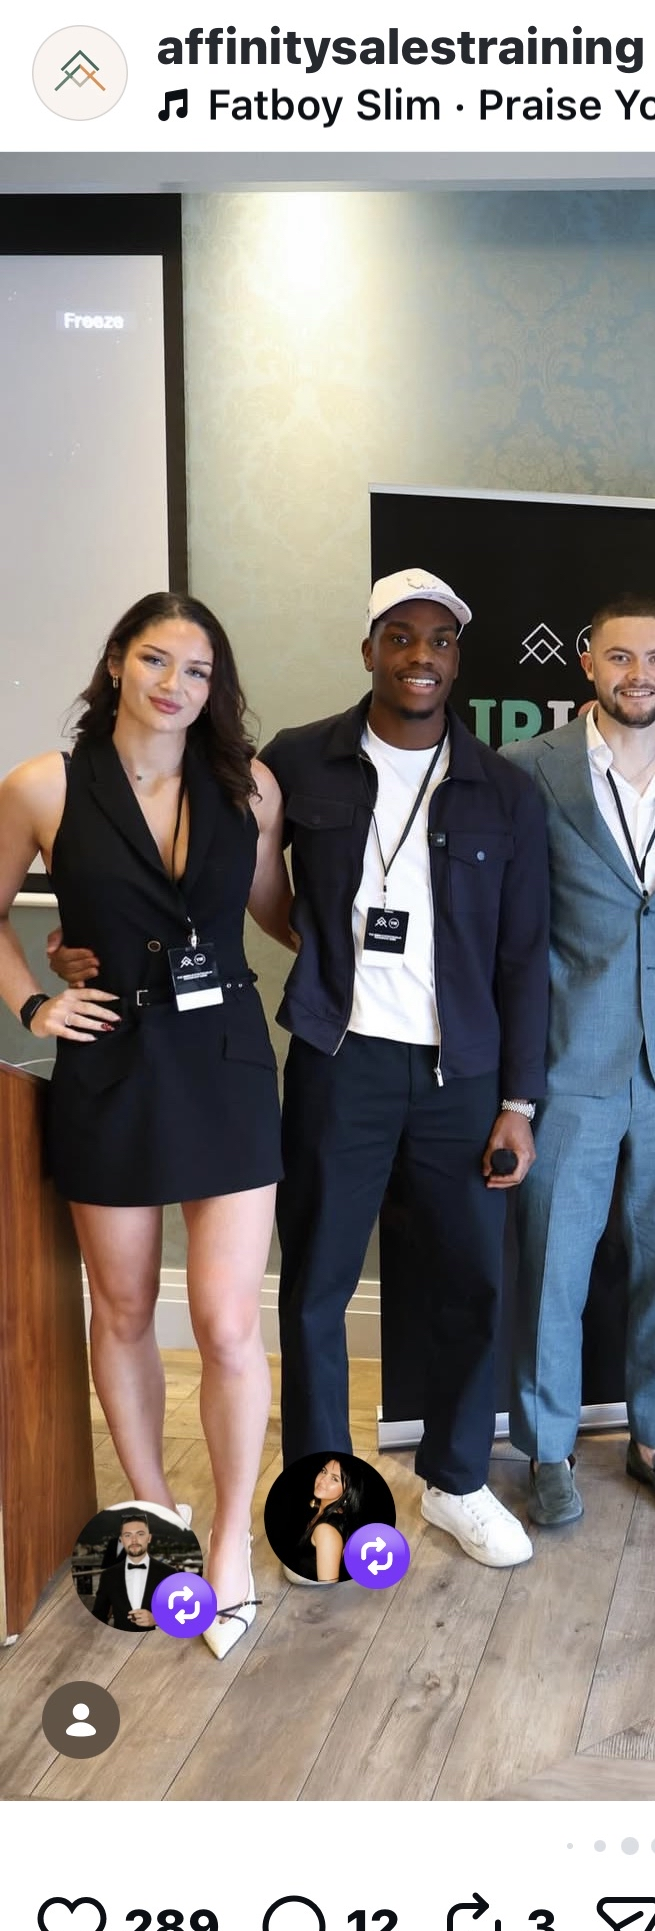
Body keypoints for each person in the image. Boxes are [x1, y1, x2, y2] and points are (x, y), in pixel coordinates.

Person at [0, 595, 288, 1659]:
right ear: (118, 662)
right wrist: (36, 1001)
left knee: (223, 1323)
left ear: (215, 687)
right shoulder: (42, 785)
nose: (175, 683)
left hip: (224, 1069)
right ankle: (158, 1509)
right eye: (156, 659)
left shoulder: (247, 786)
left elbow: (274, 910)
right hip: (110, 1066)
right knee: (120, 1308)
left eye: (198, 669)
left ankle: (228, 1544)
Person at [259, 568, 550, 1571]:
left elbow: (524, 960)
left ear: (456, 659)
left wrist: (519, 1103)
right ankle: (323, 1495)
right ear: (370, 648)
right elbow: (254, 880)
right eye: (400, 637)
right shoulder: (299, 761)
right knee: (317, 1288)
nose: (420, 656)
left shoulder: (503, 789)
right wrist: (326, 960)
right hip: (343, 1067)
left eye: (439, 641)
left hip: (461, 1079)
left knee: (473, 1283)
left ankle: (457, 1480)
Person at [503, 601, 655, 1525]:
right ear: (589, 663)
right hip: (569, 1058)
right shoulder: (529, 770)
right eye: (621, 655)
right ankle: (548, 1450)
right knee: (552, 1262)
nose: (640, 672)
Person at [86, 1511, 194, 1628]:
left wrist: (157, 1619)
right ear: (121, 1540)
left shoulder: (169, 1574)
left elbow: (185, 1614)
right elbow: (98, 1617)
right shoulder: (108, 1576)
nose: (134, 1540)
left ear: (149, 1538)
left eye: (140, 1534)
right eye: (128, 1535)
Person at [279, 1454, 366, 1585]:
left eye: (334, 1479)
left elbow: (327, 1589)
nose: (322, 1480)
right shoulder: (321, 1509)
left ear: (347, 1491)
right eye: (324, 1471)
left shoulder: (326, 1531)